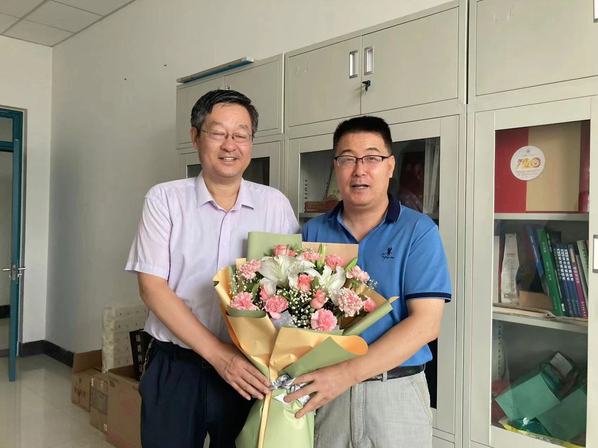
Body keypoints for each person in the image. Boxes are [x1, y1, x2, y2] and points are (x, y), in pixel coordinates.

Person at [125, 89, 299, 448]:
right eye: (218, 133)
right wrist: (219, 356)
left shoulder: (275, 205)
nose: (230, 145)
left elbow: (291, 288)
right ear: (195, 136)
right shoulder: (165, 199)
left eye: (241, 135)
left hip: (249, 369)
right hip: (176, 366)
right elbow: (152, 288)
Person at [285, 115, 452, 448]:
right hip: (326, 392)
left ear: (390, 166)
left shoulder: (419, 232)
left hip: (395, 393)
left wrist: (347, 374)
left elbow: (426, 324)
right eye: (348, 159)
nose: (359, 170)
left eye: (372, 158)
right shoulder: (314, 231)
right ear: (336, 167)